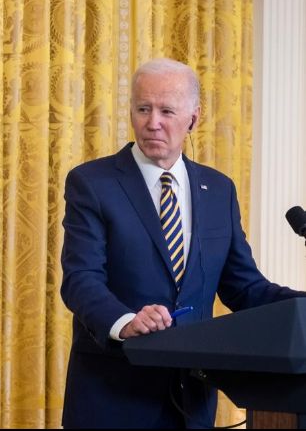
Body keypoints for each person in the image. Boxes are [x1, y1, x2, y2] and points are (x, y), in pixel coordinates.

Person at [60, 58, 305, 428]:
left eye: (166, 111)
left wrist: (302, 306)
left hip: (191, 401)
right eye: (143, 109)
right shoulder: (92, 183)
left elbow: (246, 289)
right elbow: (80, 279)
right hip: (112, 395)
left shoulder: (219, 189)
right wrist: (125, 321)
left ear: (194, 117)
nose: (152, 122)